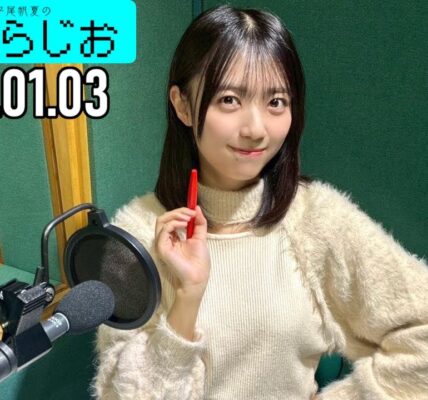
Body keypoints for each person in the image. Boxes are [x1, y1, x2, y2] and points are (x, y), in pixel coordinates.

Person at [93, 5, 428, 400]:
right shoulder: (134, 237)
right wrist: (187, 298)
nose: (255, 129)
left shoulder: (316, 219)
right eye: (229, 99)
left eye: (276, 102)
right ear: (183, 105)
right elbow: (121, 395)